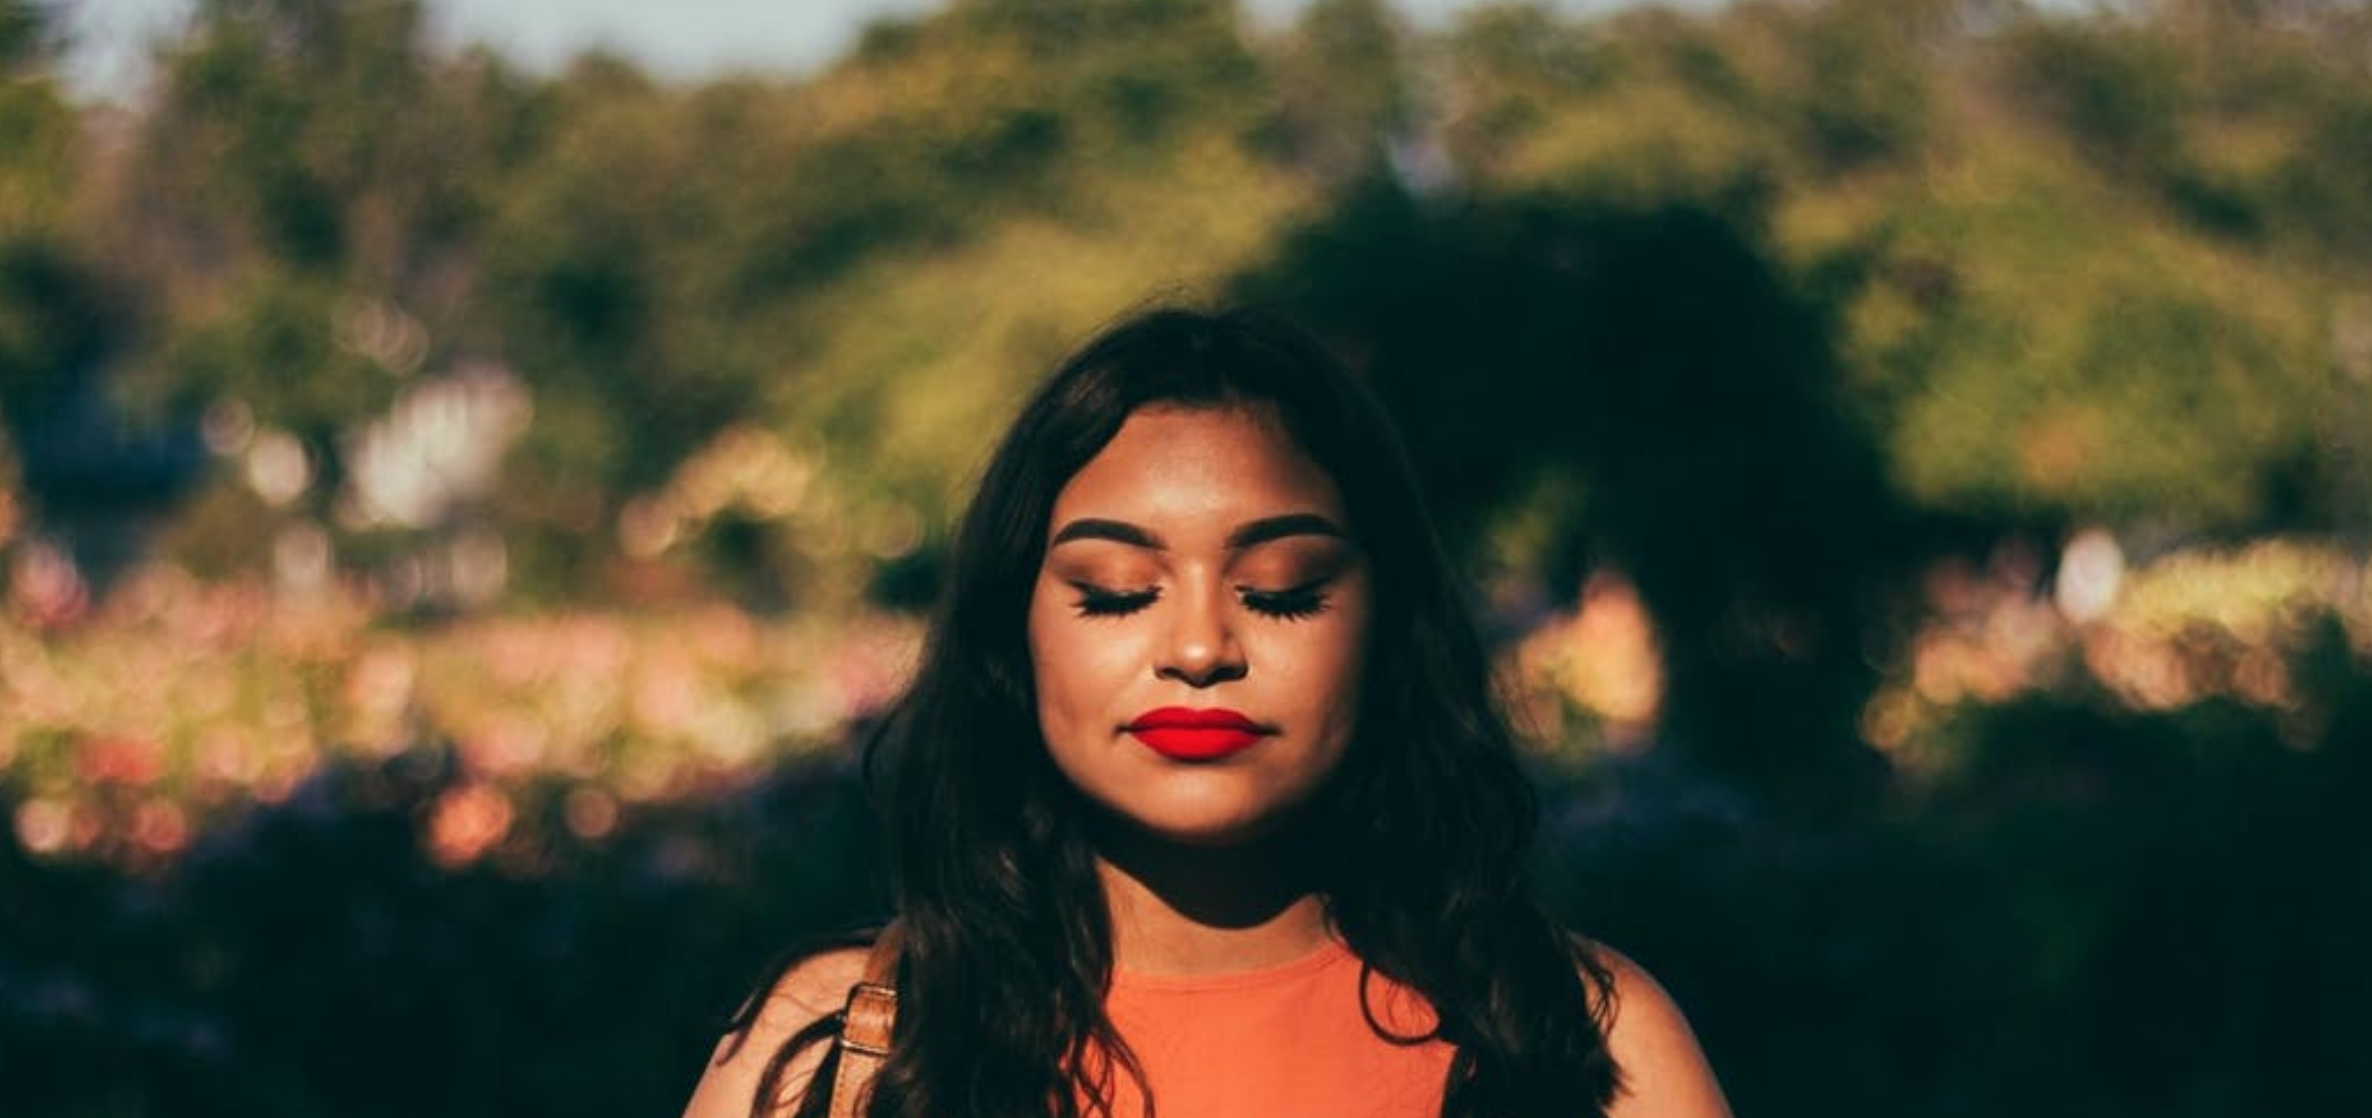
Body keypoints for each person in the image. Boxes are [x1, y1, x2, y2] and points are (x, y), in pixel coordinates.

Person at [682, 307, 1731, 1118]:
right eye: (1115, 591)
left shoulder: (1578, 1041)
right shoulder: (844, 1046)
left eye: (1277, 588)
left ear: (1387, 626)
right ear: (1015, 634)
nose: (1197, 648)